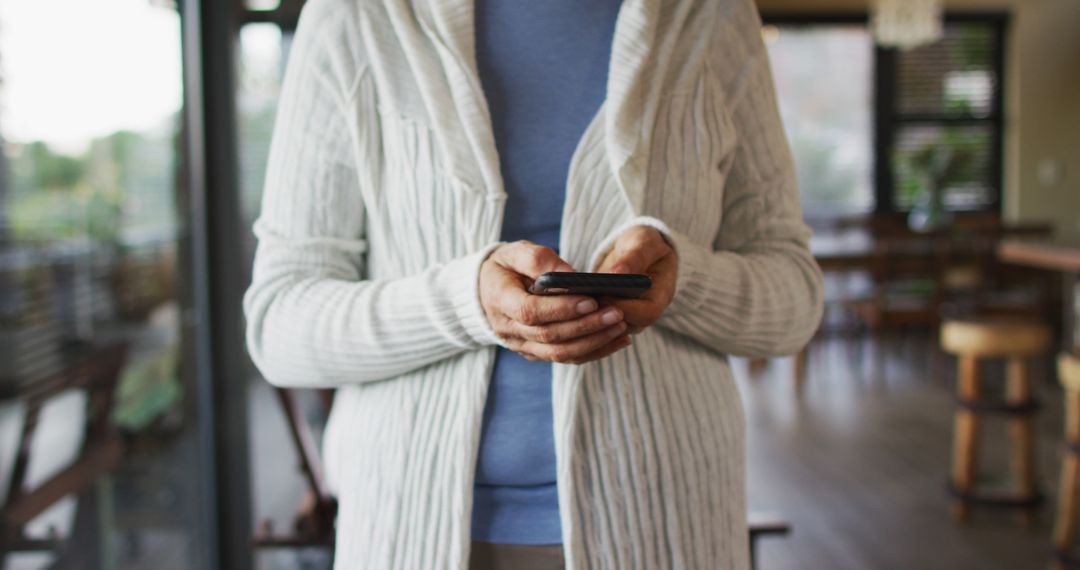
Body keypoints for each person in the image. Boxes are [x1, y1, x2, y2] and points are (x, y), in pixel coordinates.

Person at [242, 0, 824, 568]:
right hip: (413, 529)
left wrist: (687, 279)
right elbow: (279, 323)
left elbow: (794, 297)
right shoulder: (357, 16)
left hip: (671, 525)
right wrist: (465, 303)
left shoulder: (712, 15)